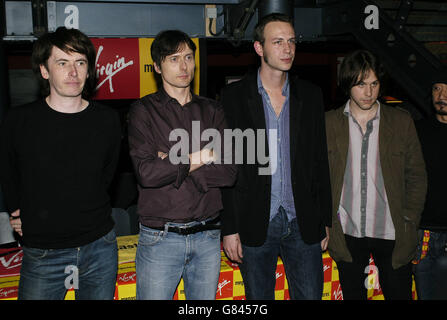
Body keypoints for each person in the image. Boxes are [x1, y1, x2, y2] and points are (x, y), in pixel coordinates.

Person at [0, 27, 121, 300]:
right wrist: (17, 210)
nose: (73, 72)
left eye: (80, 62)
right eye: (62, 63)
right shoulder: (18, 122)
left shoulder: (107, 121)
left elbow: (106, 177)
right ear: (45, 71)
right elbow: (8, 172)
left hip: (99, 248)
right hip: (44, 253)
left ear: (89, 70)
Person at [220, 13, 332, 300]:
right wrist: (229, 228)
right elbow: (227, 166)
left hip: (303, 221)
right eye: (278, 41)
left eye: (292, 41)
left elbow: (320, 161)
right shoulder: (233, 97)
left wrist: (325, 219)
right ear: (259, 48)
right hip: (255, 221)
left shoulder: (311, 95)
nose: (288, 49)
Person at [128, 30, 236, 300]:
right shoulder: (143, 111)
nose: (184, 66)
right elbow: (147, 174)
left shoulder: (213, 110)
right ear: (156, 66)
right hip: (160, 239)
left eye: (188, 57)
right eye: (174, 59)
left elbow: (230, 171)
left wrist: (173, 162)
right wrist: (201, 156)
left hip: (208, 236)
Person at [325, 49, 427, 300]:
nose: (369, 92)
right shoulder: (328, 123)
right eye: (361, 84)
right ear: (348, 85)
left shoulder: (401, 122)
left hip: (393, 230)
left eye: (374, 84)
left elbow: (416, 176)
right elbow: (317, 178)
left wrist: (409, 219)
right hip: (346, 231)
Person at [413, 67, 447, 300]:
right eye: (436, 89)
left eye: (446, 90)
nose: (441, 96)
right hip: (422, 232)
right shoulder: (417, 130)